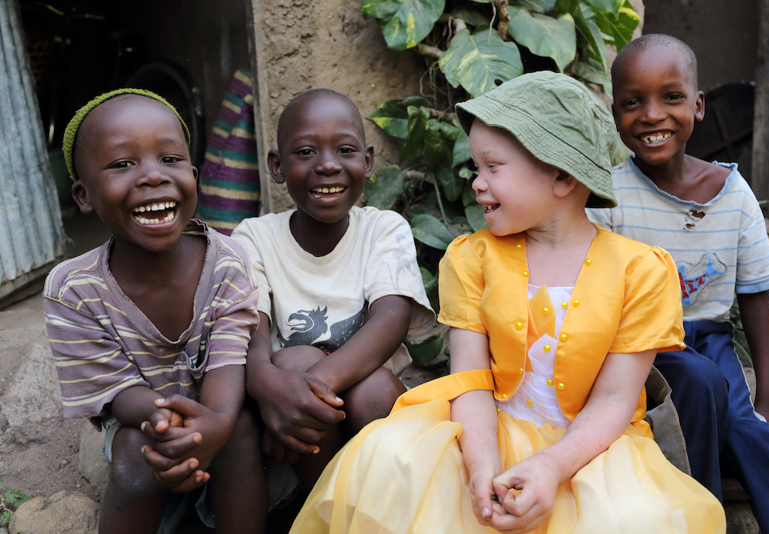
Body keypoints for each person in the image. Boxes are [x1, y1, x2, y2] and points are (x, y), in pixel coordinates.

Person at [288, 72, 725, 534]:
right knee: (392, 458)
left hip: (589, 449)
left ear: (561, 174)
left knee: (635, 519)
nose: (477, 183)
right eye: (477, 167)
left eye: (492, 167)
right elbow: (470, 381)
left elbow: (615, 399)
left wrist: (552, 467)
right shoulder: (472, 258)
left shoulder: (640, 271)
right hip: (485, 433)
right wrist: (481, 469)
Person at [586, 33, 769, 532]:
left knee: (749, 429)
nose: (652, 114)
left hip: (710, 340)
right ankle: (700, 511)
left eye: (672, 97)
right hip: (638, 344)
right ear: (615, 113)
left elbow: (754, 295)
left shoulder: (733, 193)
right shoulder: (609, 195)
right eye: (633, 102)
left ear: (698, 106)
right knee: (700, 391)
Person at [43, 89, 267, 534]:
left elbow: (228, 360)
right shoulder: (73, 290)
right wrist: (163, 420)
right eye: (123, 164)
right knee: (135, 455)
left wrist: (217, 422)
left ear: (194, 174)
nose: (152, 177)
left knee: (239, 430)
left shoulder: (228, 261)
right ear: (84, 195)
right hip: (138, 420)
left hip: (223, 409)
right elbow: (117, 391)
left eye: (169, 160)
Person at [231, 89, 435, 506]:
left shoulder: (383, 229)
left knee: (373, 387)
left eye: (344, 150)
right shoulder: (254, 237)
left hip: (356, 409)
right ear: (277, 166)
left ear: (368, 160)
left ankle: (378, 510)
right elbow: (249, 334)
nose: (327, 165)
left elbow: (391, 318)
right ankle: (336, 511)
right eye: (305, 152)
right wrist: (269, 386)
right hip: (297, 427)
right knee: (290, 360)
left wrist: (304, 393)